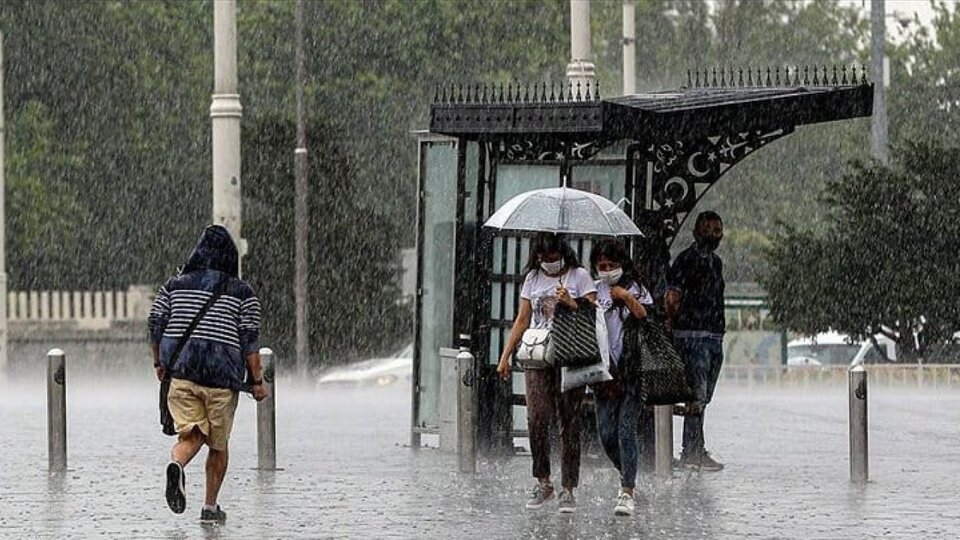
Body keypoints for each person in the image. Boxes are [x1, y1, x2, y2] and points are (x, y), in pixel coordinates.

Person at [148, 224, 268, 523]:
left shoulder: (174, 286)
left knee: (193, 433)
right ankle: (210, 507)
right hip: (222, 380)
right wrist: (256, 382)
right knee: (218, 444)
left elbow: (155, 325)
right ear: (232, 257)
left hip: (182, 374)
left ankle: (177, 462)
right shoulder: (243, 293)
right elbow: (249, 342)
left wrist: (159, 363)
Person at [496, 233, 597, 514]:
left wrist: (571, 303)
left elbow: (594, 314)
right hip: (538, 355)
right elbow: (522, 318)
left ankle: (568, 486)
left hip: (570, 355)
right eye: (543, 258)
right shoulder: (532, 279)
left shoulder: (579, 276)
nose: (549, 263)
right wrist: (505, 356)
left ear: (562, 253)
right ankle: (543, 480)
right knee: (536, 416)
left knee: (569, 420)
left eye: (553, 257)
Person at [589, 239, 653, 516]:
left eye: (612, 265)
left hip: (632, 371)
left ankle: (627, 489)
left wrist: (626, 296)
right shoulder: (593, 289)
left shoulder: (636, 287)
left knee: (626, 428)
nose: (607, 270)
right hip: (604, 373)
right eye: (602, 266)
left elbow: (646, 316)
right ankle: (628, 472)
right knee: (606, 433)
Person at [665, 211, 726, 471]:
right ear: (696, 232)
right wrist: (672, 326)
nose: (713, 235)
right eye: (708, 229)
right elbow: (672, 297)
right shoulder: (685, 261)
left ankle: (695, 446)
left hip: (713, 336)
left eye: (717, 230)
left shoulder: (716, 263)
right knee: (696, 395)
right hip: (691, 337)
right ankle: (692, 450)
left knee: (704, 396)